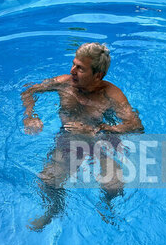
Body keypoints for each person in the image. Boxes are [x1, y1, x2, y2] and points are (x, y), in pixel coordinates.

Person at [21, 42, 143, 230]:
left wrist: (98, 129)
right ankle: (54, 209)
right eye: (73, 64)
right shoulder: (64, 84)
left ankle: (107, 206)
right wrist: (30, 116)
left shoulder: (112, 95)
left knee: (114, 187)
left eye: (80, 68)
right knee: (47, 181)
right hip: (69, 140)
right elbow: (29, 91)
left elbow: (136, 126)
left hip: (101, 140)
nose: (72, 71)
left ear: (98, 75)